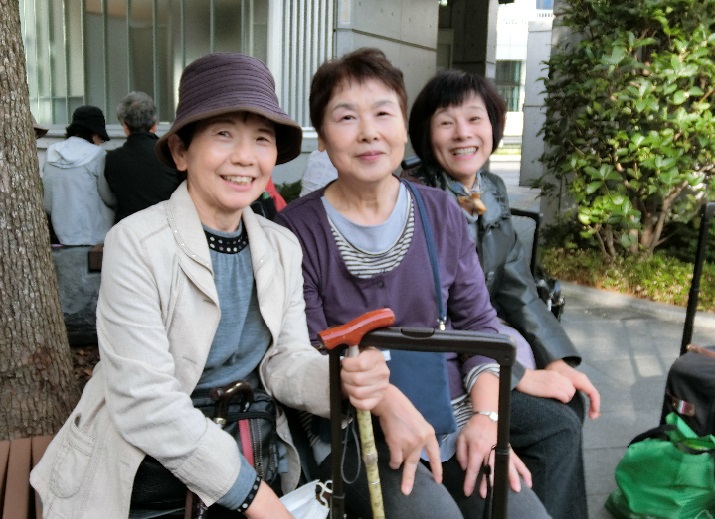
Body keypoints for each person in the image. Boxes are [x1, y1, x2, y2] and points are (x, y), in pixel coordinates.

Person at [31, 52, 391, 519]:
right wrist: (256, 497)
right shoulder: (137, 242)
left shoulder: (281, 244)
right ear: (182, 152)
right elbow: (146, 401)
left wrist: (337, 380)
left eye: (261, 139)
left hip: (252, 448)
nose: (245, 156)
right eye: (223, 134)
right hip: (150, 474)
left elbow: (285, 361)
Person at [276, 47, 550, 519]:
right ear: (321, 137)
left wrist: (487, 421)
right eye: (346, 117)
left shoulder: (441, 212)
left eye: (383, 113)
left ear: (404, 127)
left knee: (519, 512)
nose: (369, 132)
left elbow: (480, 326)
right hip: (352, 425)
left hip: (450, 408)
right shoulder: (295, 231)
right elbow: (309, 350)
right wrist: (387, 405)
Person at [403, 69, 602, 519]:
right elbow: (434, 315)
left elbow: (517, 285)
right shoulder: (416, 199)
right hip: (446, 367)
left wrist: (557, 360)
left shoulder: (488, 189)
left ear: (493, 125)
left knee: (569, 404)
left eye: (475, 119)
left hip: (486, 347)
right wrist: (520, 377)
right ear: (425, 134)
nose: (463, 134)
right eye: (446, 122)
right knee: (554, 427)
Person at [104, 91, 183, 222]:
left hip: (127, 227)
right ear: (155, 124)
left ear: (125, 126)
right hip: (166, 224)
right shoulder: (172, 155)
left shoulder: (112, 159)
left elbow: (109, 197)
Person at [42, 105, 115, 245]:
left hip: (60, 233)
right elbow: (108, 198)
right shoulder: (97, 155)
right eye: (101, 139)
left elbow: (48, 203)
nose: (100, 143)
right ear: (95, 134)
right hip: (94, 235)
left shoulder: (51, 152)